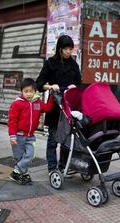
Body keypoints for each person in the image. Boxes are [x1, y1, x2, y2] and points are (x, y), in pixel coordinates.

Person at [36, 35, 82, 174]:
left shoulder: (74, 65)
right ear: (60, 49)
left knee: (67, 141)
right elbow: (39, 84)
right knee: (53, 139)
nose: (69, 52)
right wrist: (50, 87)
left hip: (69, 107)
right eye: (66, 49)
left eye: (70, 49)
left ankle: (63, 166)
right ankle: (52, 168)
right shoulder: (50, 63)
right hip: (55, 106)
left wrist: (75, 87)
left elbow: (79, 84)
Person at [8, 78, 54, 185]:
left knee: (30, 155)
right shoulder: (17, 104)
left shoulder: (37, 102)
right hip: (18, 136)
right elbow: (12, 120)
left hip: (30, 136)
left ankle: (16, 171)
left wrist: (52, 97)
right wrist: (12, 136)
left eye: (31, 91)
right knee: (19, 157)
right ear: (22, 92)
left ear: (35, 91)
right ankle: (23, 174)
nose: (28, 94)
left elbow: (47, 108)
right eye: (26, 91)